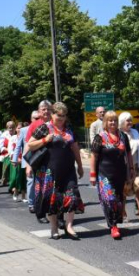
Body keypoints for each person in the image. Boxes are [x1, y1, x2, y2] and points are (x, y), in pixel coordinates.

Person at [27, 102, 85, 239]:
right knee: (52, 200)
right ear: (52, 115)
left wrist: (80, 166)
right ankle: (54, 228)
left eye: (64, 116)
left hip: (68, 170)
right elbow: (30, 144)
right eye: (59, 115)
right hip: (49, 171)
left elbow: (75, 148)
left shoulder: (69, 128)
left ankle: (69, 226)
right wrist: (45, 140)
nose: (61, 118)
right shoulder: (44, 128)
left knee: (72, 196)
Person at [90, 111, 134, 239]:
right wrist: (92, 174)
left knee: (119, 200)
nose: (113, 122)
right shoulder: (100, 137)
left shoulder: (123, 136)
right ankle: (113, 225)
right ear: (105, 122)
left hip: (120, 173)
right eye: (110, 120)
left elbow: (129, 154)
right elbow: (94, 156)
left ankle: (116, 221)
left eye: (115, 120)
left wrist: (131, 169)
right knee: (110, 199)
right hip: (104, 174)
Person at [120, 111, 139, 224]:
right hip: (123, 167)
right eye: (127, 120)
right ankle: (123, 212)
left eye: (131, 120)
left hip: (136, 166)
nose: (130, 122)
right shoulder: (118, 134)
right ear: (121, 122)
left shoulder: (135, 132)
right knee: (123, 191)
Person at [16, 112, 41, 212]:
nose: (37, 120)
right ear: (31, 119)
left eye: (38, 118)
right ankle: (31, 203)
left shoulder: (45, 127)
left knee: (41, 181)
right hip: (29, 159)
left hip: (41, 159)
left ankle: (40, 202)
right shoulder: (24, 130)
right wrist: (15, 159)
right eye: (35, 118)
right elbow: (19, 145)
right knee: (31, 181)